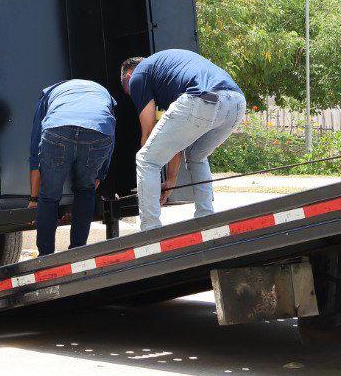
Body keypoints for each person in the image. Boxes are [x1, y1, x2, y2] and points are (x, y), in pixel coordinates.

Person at [121, 49, 246, 231]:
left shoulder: (139, 76)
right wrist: (170, 180)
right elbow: (175, 140)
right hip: (236, 103)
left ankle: (150, 229)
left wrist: (151, 172)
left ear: (129, 75)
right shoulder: (165, 73)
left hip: (201, 98)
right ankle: (206, 218)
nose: (132, 95)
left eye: (128, 89)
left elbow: (148, 133)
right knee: (197, 155)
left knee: (145, 159)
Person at [27, 79, 116, 256]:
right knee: (85, 190)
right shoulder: (103, 93)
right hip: (98, 130)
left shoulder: (48, 94)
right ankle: (77, 252)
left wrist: (34, 198)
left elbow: (36, 142)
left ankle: (45, 256)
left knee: (49, 196)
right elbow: (111, 136)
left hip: (58, 129)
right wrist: (101, 174)